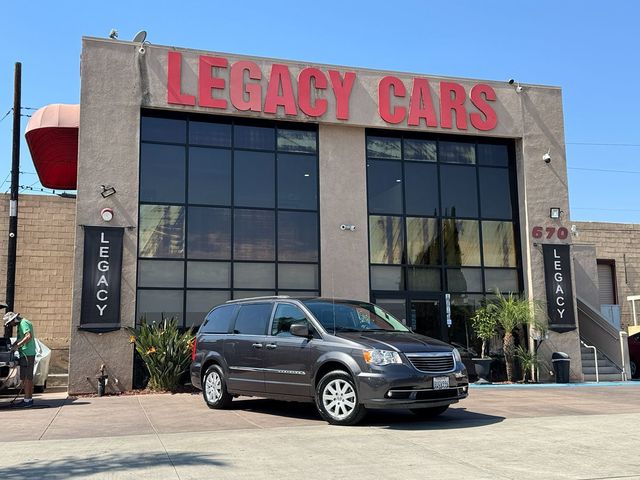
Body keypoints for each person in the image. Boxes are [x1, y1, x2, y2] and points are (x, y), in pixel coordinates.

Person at [3, 312, 36, 408]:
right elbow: (21, 338)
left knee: (27, 377)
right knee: (25, 377)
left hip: (28, 353)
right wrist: (14, 345)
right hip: (25, 353)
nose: (11, 325)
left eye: (11, 323)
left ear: (14, 319)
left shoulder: (23, 323)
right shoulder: (21, 325)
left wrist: (18, 346)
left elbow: (28, 336)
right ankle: (28, 399)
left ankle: (28, 400)